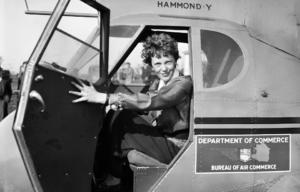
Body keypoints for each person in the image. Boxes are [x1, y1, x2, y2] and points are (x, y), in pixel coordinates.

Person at [69, 33, 192, 190]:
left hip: (176, 148)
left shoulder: (182, 84)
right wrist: (118, 105)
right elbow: (149, 110)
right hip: (162, 139)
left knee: (123, 117)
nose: (164, 68)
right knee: (116, 114)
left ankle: (112, 176)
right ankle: (104, 172)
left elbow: (151, 101)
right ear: (152, 65)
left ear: (175, 60)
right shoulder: (158, 83)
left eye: (168, 62)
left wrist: (106, 98)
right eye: (158, 64)